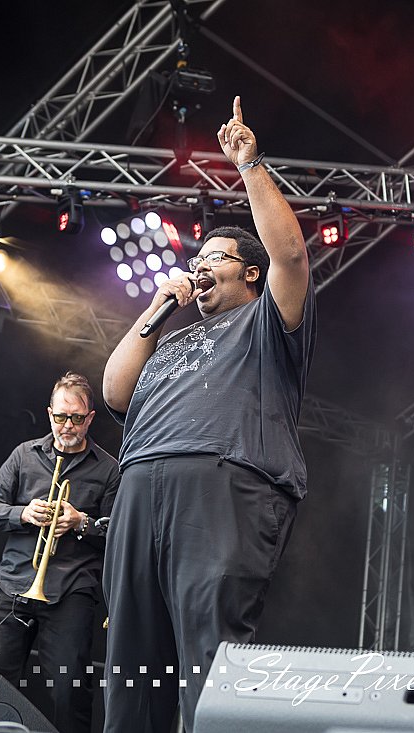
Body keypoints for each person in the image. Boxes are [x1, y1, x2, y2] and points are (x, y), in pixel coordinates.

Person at [101, 95, 315, 733]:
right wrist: (155, 309)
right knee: (131, 661)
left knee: (209, 652)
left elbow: (292, 258)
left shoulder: (267, 322)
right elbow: (115, 392)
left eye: (214, 258)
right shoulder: (170, 337)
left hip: (222, 484)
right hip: (140, 485)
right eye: (196, 260)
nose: (199, 266)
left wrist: (248, 164)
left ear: (249, 274)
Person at [0, 371, 120, 733]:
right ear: (49, 413)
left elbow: (121, 535)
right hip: (11, 587)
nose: (67, 425)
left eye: (76, 418)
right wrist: (22, 513)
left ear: (90, 418)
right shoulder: (24, 455)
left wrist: (82, 522)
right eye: (60, 416)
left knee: (69, 695)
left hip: (71, 593)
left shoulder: (109, 470)